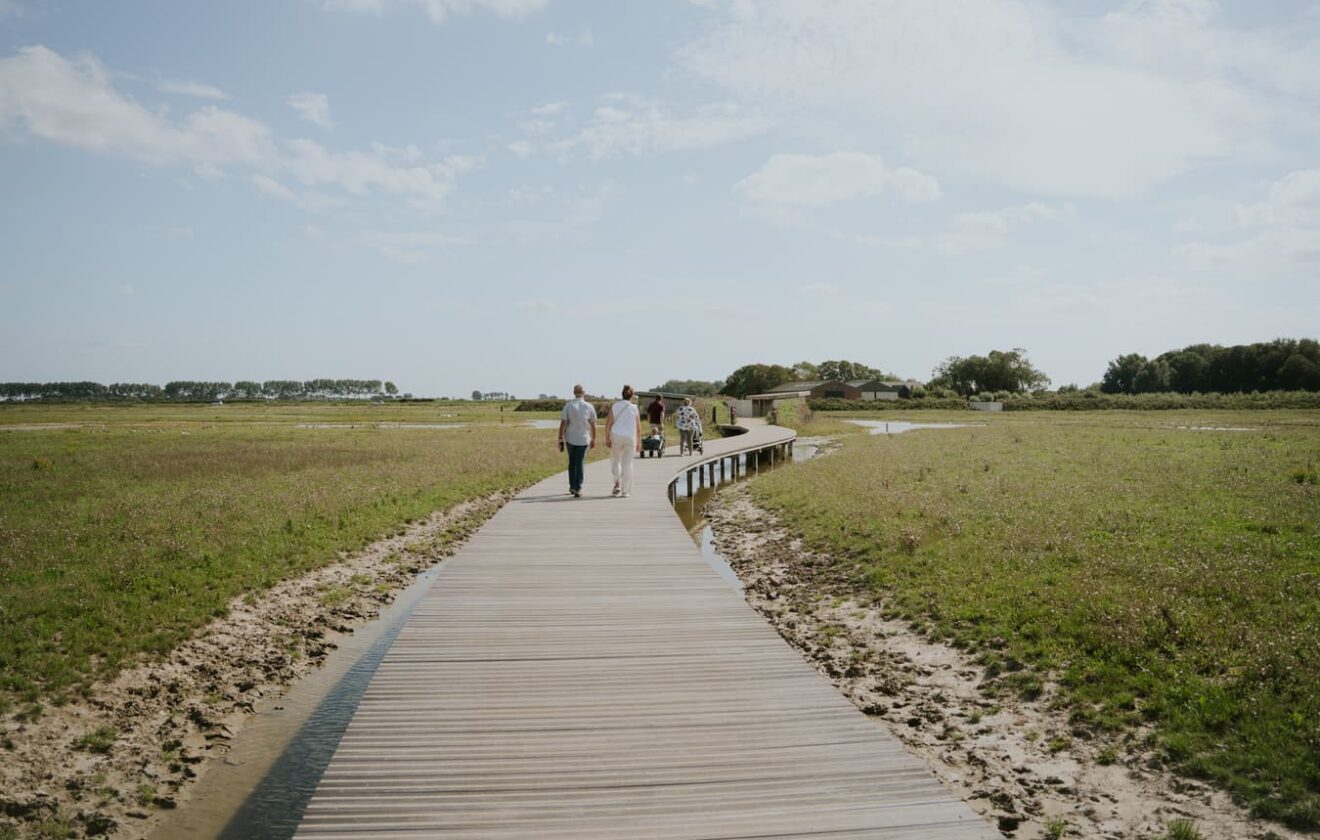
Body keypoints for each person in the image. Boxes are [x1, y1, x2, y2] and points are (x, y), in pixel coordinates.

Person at [557, 384, 597, 497]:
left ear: (574, 393)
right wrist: (594, 438)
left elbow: (563, 423)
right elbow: (593, 424)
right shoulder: (589, 406)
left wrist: (560, 438)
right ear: (584, 393)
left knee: (572, 462)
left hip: (570, 438)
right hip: (584, 439)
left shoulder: (568, 406)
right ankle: (578, 487)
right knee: (580, 462)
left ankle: (572, 486)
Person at [605, 384, 642, 497]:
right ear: (631, 396)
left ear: (622, 395)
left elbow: (608, 423)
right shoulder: (634, 408)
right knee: (628, 463)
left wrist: (607, 437)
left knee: (615, 460)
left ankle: (617, 484)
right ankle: (626, 491)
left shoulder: (615, 406)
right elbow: (638, 427)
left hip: (616, 435)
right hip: (630, 438)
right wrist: (639, 442)